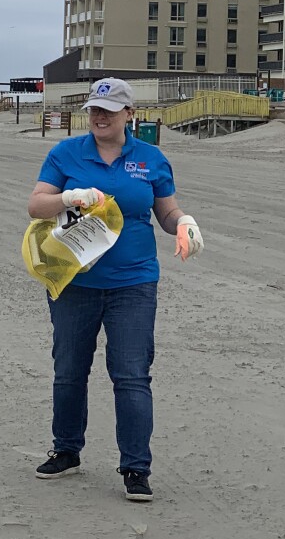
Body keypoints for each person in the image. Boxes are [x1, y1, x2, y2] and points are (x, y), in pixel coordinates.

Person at [26, 77, 204, 502]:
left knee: (131, 375)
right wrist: (70, 196)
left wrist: (183, 223)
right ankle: (67, 450)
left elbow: (164, 210)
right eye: (94, 109)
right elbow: (36, 205)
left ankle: (136, 468)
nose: (100, 116)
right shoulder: (66, 152)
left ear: (130, 114)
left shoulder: (151, 158)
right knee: (69, 370)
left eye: (110, 109)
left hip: (134, 282)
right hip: (75, 280)